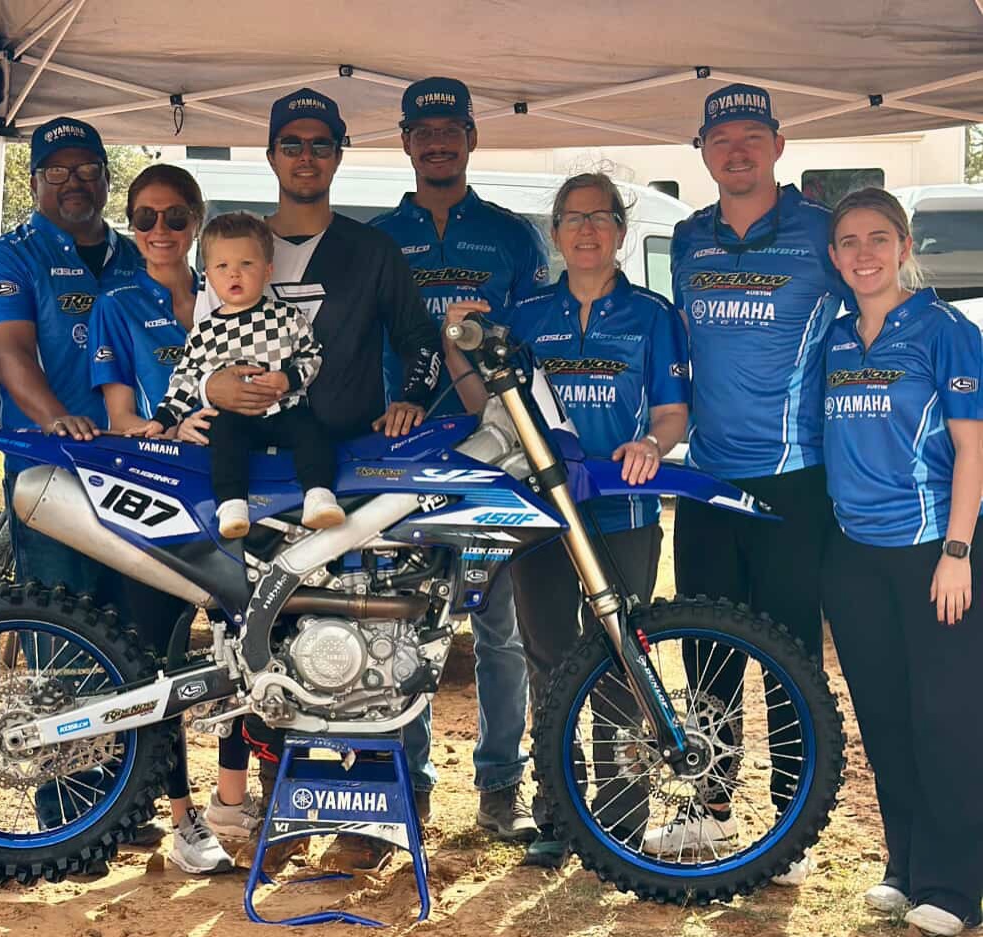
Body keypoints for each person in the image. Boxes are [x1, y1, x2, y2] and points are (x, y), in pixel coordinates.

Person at [199, 88, 442, 873]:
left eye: (321, 143)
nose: (306, 155)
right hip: (251, 480)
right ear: (271, 155)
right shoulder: (234, 246)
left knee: (375, 634)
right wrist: (209, 394)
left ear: (338, 154)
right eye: (291, 143)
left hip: (351, 474)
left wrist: (409, 396)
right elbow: (198, 350)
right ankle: (286, 808)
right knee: (268, 644)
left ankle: (378, 811)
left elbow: (421, 341)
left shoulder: (371, 251)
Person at [444, 172, 690, 868]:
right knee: (548, 658)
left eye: (601, 217)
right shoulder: (522, 317)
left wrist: (652, 443)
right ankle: (556, 811)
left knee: (621, 658)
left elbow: (673, 412)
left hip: (625, 510)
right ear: (554, 234)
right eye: (573, 218)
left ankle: (617, 816)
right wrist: (454, 342)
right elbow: (478, 405)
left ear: (620, 229)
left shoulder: (652, 313)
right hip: (541, 514)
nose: (587, 229)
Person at [0, 117, 198, 871]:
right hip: (54, 474)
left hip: (139, 476)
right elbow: (11, 352)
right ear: (37, 180)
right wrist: (56, 419)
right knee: (62, 639)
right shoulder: (11, 253)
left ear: (107, 178)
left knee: (131, 641)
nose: (74, 181)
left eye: (88, 169)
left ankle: (123, 807)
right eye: (58, 170)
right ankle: (67, 816)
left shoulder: (139, 252)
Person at [660, 84, 848, 885]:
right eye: (721, 138)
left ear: (779, 143)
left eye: (751, 136)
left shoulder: (821, 234)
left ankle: (794, 817)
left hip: (795, 478)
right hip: (706, 474)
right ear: (702, 150)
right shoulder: (685, 238)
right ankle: (707, 804)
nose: (736, 151)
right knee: (707, 647)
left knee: (791, 651)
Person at [370, 77, 547, 845]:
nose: (437, 142)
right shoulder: (377, 236)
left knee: (500, 631)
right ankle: (407, 788)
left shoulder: (512, 236)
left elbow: (535, 341)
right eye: (423, 131)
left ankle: (500, 787)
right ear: (405, 142)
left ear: (472, 138)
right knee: (402, 627)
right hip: (399, 456)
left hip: (493, 454)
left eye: (450, 130)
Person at [820, 188, 983, 937]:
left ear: (905, 246)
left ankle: (955, 884)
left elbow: (974, 449)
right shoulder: (834, 335)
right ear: (834, 255)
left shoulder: (945, 330)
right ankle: (905, 865)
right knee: (884, 716)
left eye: (878, 238)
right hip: (856, 555)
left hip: (932, 549)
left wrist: (958, 550)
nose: (863, 253)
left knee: (944, 717)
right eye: (849, 241)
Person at [88, 164, 242, 873]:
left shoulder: (232, 291)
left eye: (175, 218)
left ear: (197, 221)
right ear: (130, 223)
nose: (159, 232)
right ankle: (182, 819)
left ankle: (233, 801)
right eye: (144, 219)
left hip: (239, 497)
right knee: (162, 664)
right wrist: (165, 430)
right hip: (156, 499)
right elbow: (118, 416)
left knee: (246, 653)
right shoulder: (115, 303)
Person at [143, 212, 344, 537]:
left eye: (246, 264)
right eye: (222, 266)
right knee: (222, 437)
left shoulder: (287, 317)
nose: (234, 273)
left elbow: (312, 356)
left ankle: (319, 497)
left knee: (311, 431)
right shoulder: (203, 331)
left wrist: (289, 379)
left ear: (267, 271)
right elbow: (185, 378)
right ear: (208, 275)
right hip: (234, 417)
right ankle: (231, 506)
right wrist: (163, 419)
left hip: (285, 409)